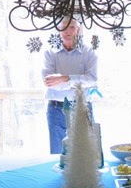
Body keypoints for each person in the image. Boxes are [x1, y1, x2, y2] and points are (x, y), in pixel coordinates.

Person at [41, 16, 98, 154]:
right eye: (64, 28)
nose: (68, 31)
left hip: (82, 106)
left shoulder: (88, 52)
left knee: (86, 153)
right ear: (59, 30)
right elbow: (49, 81)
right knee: (58, 153)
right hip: (56, 108)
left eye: (72, 27)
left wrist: (65, 79)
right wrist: (76, 82)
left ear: (77, 30)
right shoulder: (50, 53)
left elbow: (91, 79)